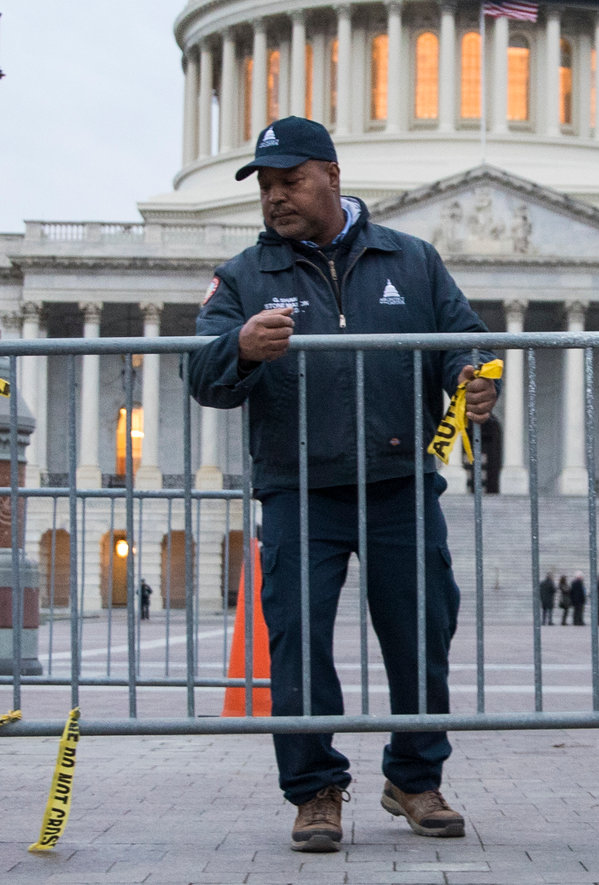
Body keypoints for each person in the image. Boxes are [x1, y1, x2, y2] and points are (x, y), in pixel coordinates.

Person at [188, 117, 496, 853]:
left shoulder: (413, 260)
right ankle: (315, 789)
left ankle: (415, 778)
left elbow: (466, 338)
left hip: (399, 480)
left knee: (422, 631)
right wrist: (238, 347)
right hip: (299, 486)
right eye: (265, 186)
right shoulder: (244, 275)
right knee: (295, 638)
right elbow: (198, 372)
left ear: (330, 172)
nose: (275, 198)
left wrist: (470, 379)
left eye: (289, 181)